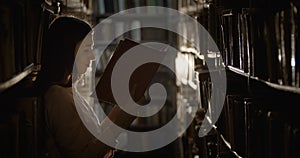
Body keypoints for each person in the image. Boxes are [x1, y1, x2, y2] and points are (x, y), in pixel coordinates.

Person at [36, 16, 136, 158]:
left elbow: (94, 139)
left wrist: (121, 110)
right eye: (86, 50)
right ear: (66, 51)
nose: (92, 57)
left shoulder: (69, 91)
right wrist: (118, 124)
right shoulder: (58, 98)